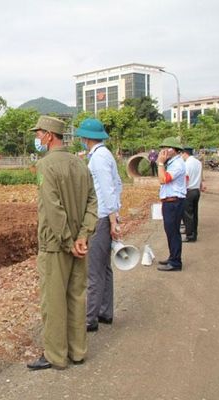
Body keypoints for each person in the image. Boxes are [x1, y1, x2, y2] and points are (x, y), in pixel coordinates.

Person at [26, 116, 98, 370]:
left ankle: (56, 355)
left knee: (54, 300)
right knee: (77, 296)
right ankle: (78, 351)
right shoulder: (81, 164)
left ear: (48, 135)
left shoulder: (46, 166)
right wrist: (82, 237)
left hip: (56, 245)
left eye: (39, 134)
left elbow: (53, 210)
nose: (37, 138)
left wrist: (68, 241)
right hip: (79, 243)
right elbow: (92, 202)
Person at [75, 118, 122, 333]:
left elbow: (108, 189)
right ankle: (105, 311)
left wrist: (113, 220)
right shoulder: (103, 155)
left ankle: (90, 318)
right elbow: (118, 184)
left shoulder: (99, 159)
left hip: (101, 217)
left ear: (86, 138)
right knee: (104, 267)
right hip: (106, 215)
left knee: (94, 270)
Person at [156, 137, 187, 272]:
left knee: (173, 232)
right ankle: (172, 257)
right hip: (170, 202)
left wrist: (160, 163)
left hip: (174, 202)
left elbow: (163, 179)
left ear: (174, 150)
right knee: (170, 232)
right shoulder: (173, 162)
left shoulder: (177, 164)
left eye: (166, 148)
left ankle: (175, 262)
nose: (163, 151)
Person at [181, 146, 203, 243]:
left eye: (181, 154)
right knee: (194, 213)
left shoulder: (186, 164)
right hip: (196, 191)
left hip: (188, 191)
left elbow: (186, 178)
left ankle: (190, 236)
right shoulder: (198, 162)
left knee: (188, 215)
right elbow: (200, 176)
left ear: (185, 153)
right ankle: (194, 233)